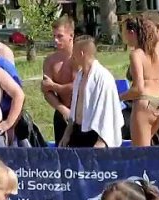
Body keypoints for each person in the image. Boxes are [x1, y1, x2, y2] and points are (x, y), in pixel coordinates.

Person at [58, 36, 123, 148]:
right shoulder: (80, 76)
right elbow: (74, 108)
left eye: (74, 52)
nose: (71, 56)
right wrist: (67, 133)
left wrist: (101, 140)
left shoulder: (103, 77)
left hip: (95, 134)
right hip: (77, 131)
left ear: (81, 53)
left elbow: (107, 110)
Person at [120, 16, 159, 147]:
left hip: (144, 104)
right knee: (152, 151)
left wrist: (118, 97)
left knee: (141, 153)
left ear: (132, 32)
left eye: (124, 32)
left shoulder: (136, 54)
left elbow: (138, 89)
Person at [42, 16, 76, 144]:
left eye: (60, 36)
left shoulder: (79, 57)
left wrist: (54, 86)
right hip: (61, 113)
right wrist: (62, 109)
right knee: (62, 155)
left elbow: (77, 86)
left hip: (82, 112)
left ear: (71, 35)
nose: (56, 40)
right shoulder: (50, 61)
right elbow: (46, 91)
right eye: (54, 36)